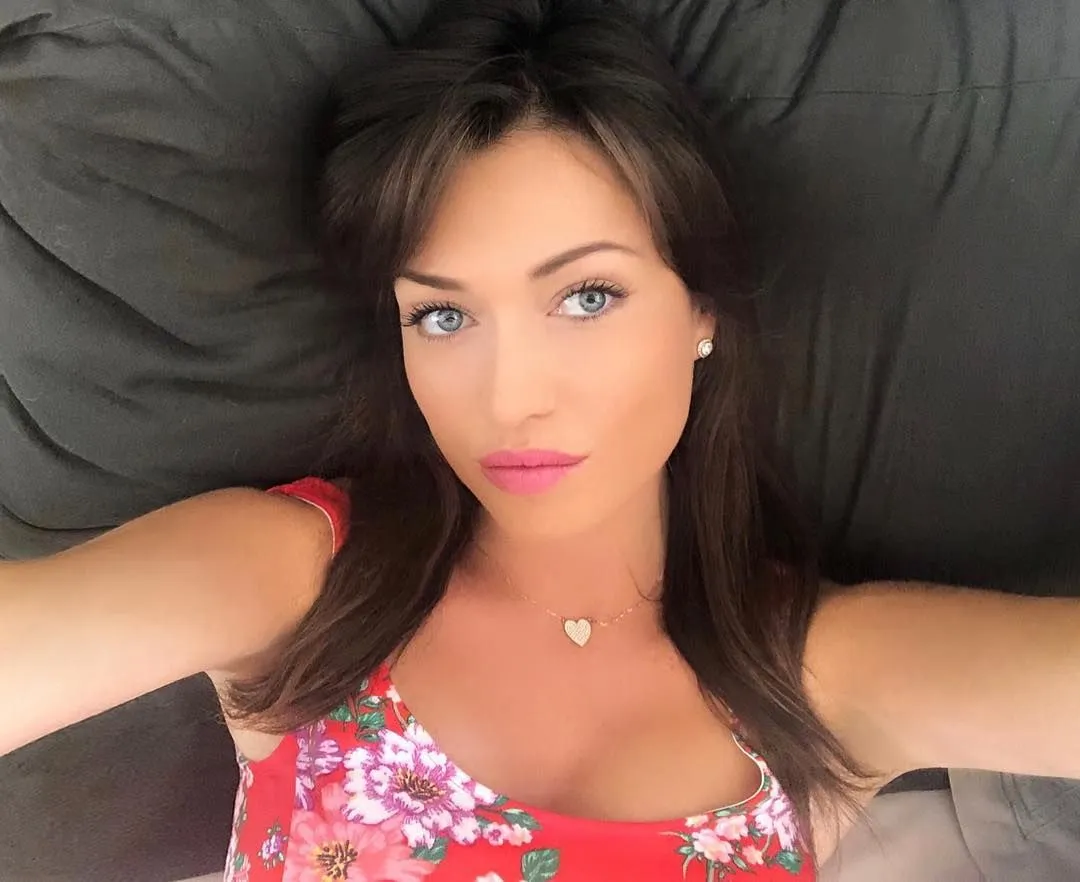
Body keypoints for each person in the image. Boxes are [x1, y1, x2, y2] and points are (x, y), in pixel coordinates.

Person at [1, 0, 1077, 880]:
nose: (511, 398)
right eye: (443, 315)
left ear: (701, 310)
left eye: (587, 296)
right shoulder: (296, 582)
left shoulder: (819, 677)